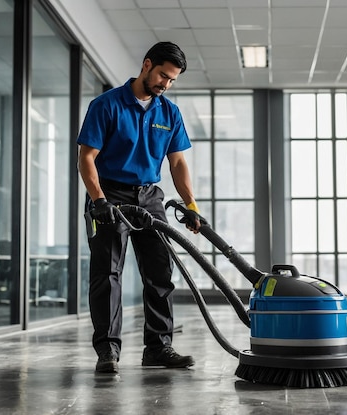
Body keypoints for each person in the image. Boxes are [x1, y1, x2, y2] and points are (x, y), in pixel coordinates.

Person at [77, 41, 202, 374]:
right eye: (163, 75)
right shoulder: (106, 105)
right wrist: (99, 199)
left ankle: (159, 347)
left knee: (160, 272)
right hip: (110, 194)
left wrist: (190, 203)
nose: (166, 84)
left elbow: (177, 163)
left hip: (149, 196)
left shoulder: (169, 112)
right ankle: (107, 351)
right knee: (107, 275)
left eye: (172, 80)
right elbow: (86, 157)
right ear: (147, 65)